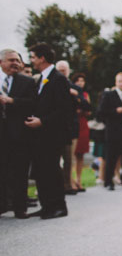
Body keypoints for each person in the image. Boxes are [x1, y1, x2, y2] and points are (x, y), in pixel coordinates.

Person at [26, 42, 72, 219]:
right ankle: (46, 205)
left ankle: (59, 206)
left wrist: (42, 122)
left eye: (33, 57)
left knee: (52, 170)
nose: (32, 61)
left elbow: (64, 109)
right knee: (41, 170)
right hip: (40, 135)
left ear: (42, 58)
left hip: (53, 134)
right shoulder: (41, 78)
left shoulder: (58, 79)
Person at [0, 49, 36, 219]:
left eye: (17, 60)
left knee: (20, 170)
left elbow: (33, 104)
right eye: (11, 60)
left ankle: (20, 207)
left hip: (19, 133)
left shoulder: (27, 82)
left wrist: (12, 101)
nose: (15, 63)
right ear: (1, 62)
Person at [55, 60, 79, 195]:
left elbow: (85, 106)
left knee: (68, 158)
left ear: (69, 71)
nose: (63, 72)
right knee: (54, 159)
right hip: (54, 126)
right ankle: (57, 185)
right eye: (60, 69)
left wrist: (74, 95)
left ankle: (68, 184)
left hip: (70, 128)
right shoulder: (50, 84)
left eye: (65, 70)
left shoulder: (74, 88)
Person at [71, 73, 91, 191]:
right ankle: (71, 180)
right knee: (72, 154)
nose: (80, 83)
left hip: (83, 124)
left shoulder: (85, 95)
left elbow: (88, 110)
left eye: (82, 81)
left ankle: (79, 179)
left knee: (81, 154)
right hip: (74, 123)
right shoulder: (70, 92)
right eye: (77, 81)